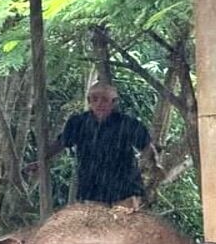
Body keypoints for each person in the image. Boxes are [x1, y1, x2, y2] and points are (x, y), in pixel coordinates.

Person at [29, 82, 161, 208]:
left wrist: (155, 168)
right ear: (88, 101)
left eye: (105, 100)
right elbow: (61, 143)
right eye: (95, 99)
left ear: (114, 102)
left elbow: (147, 148)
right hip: (92, 189)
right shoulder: (78, 123)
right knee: (95, 229)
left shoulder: (129, 124)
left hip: (125, 188)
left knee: (125, 228)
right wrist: (41, 161)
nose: (99, 103)